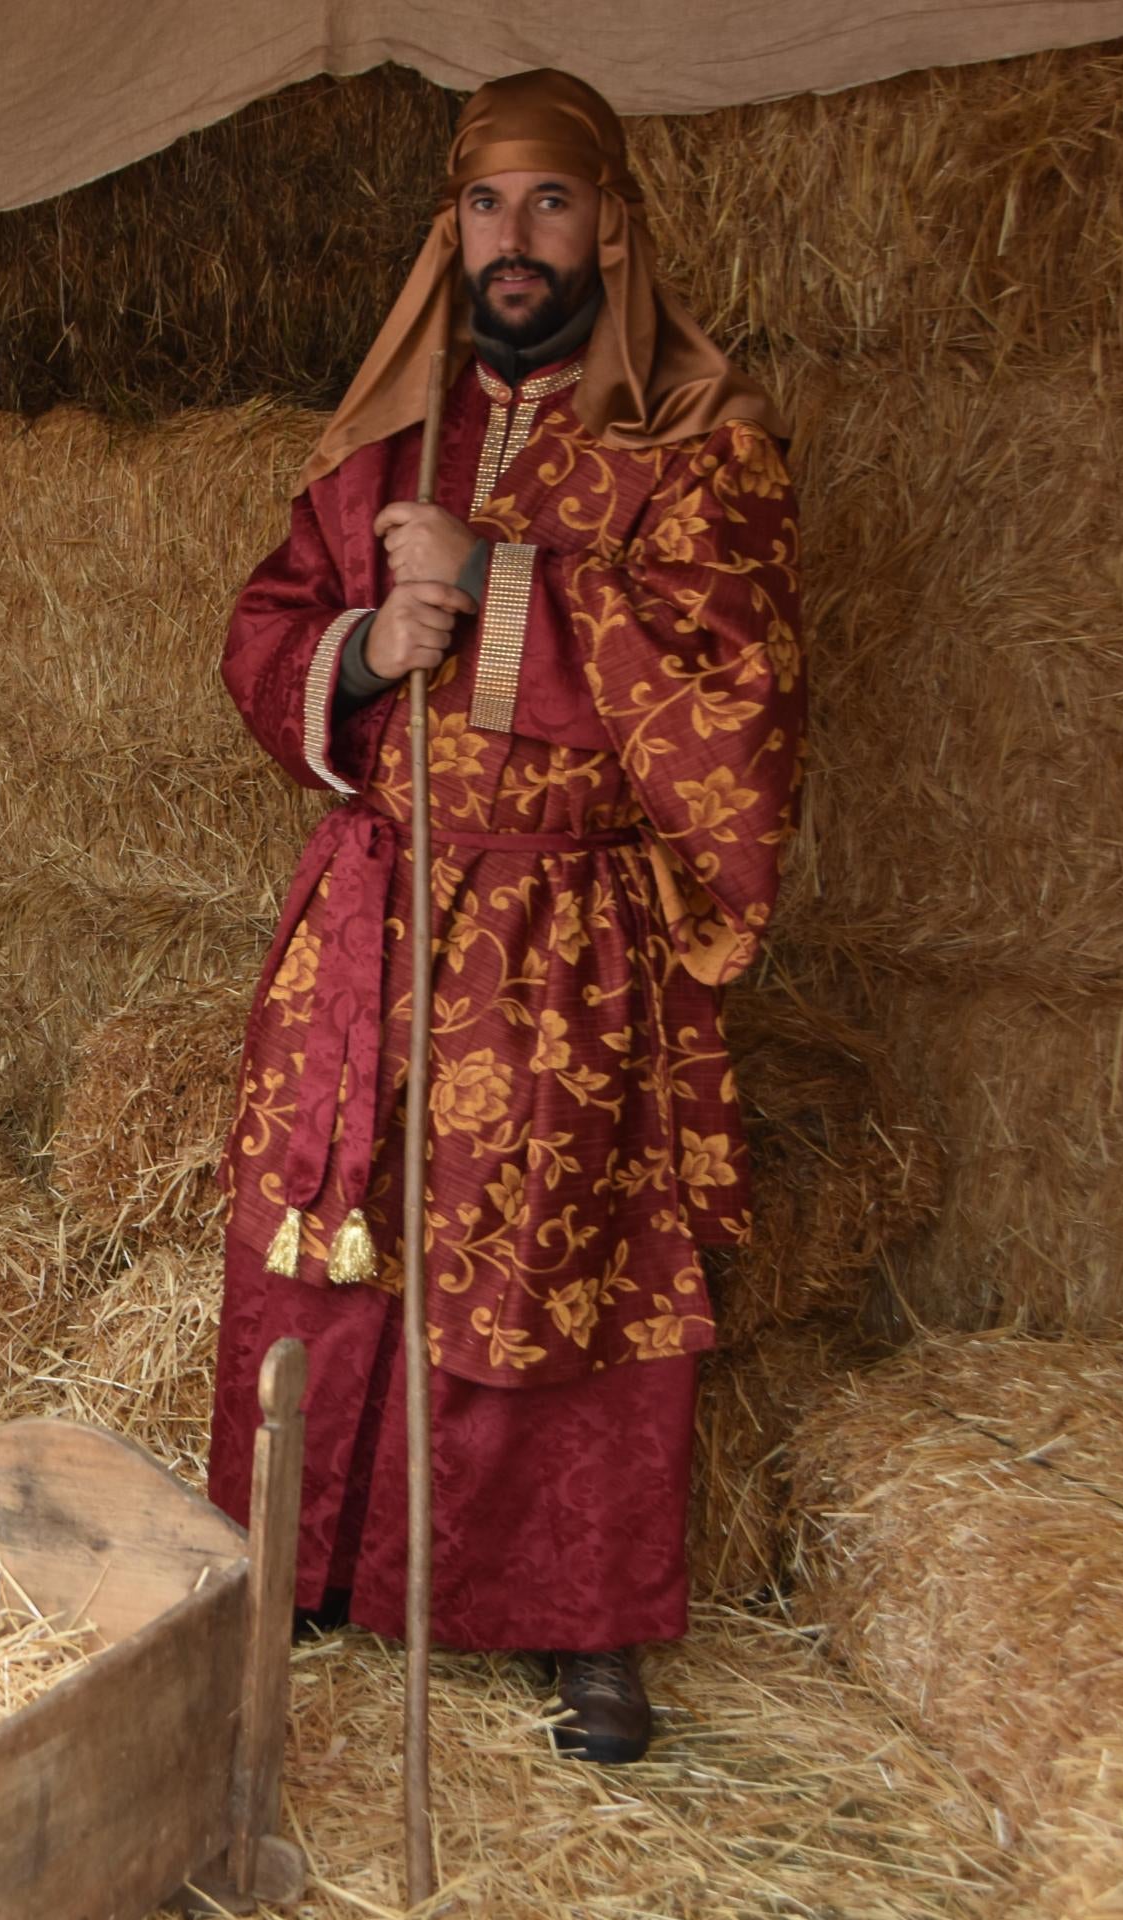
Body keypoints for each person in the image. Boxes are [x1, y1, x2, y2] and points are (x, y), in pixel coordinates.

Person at [206, 69, 803, 1762]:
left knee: (564, 1254)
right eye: (485, 206)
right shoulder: (387, 434)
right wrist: (358, 655)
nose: (515, 241)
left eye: (549, 204)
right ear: (450, 230)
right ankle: (310, 1557)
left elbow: (731, 694)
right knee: (334, 1228)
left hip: (565, 934)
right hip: (378, 906)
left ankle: (580, 1623)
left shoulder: (704, 443)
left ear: (611, 221)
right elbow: (263, 631)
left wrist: (499, 582)